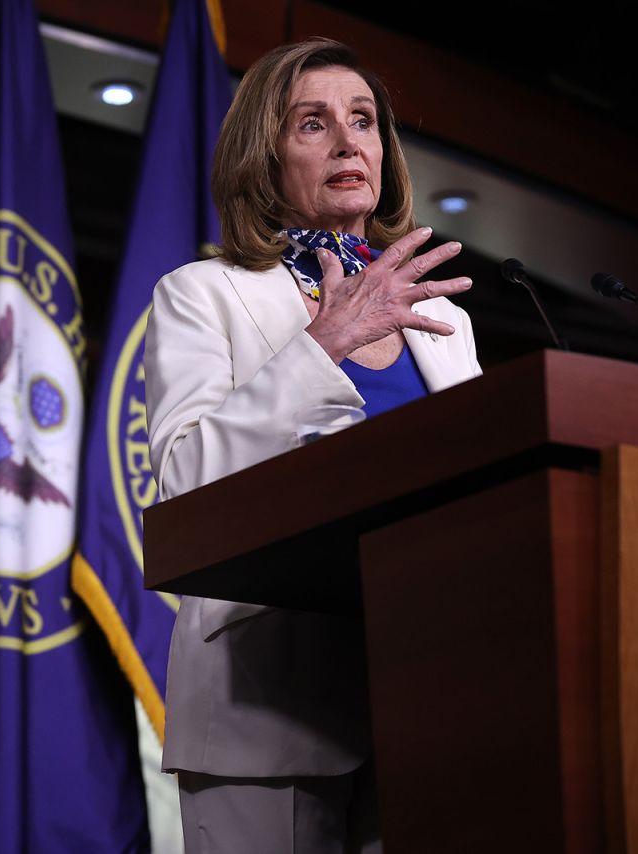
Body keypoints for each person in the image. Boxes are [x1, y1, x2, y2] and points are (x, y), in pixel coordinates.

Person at [145, 37, 483, 852]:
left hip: (426, 694)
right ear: (265, 158)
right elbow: (184, 488)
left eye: (362, 121)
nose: (347, 141)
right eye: (312, 123)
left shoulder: (448, 322)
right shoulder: (205, 295)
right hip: (268, 703)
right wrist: (318, 347)